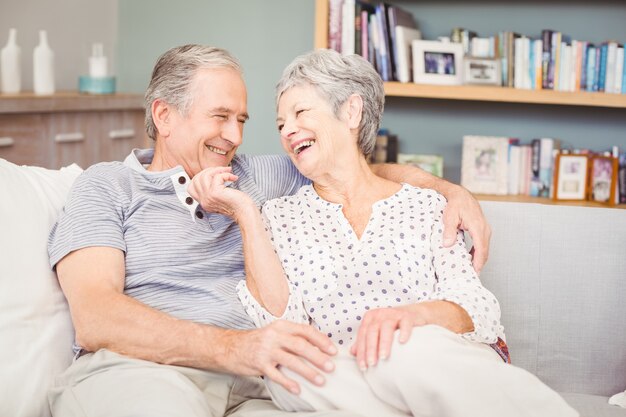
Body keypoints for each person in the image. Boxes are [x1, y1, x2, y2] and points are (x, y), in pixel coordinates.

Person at [48, 44, 491, 417]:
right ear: (164, 116)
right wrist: (235, 348)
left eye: (241, 120)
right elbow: (95, 317)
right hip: (145, 370)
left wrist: (449, 190)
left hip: (256, 385)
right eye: (220, 116)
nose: (234, 135)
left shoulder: (257, 175)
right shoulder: (107, 185)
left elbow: (355, 167)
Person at [190, 49, 578, 417]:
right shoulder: (278, 215)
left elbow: (477, 307)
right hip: (335, 371)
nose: (288, 130)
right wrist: (245, 213)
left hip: (426, 353)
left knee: (406, 349)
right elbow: (281, 324)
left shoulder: (426, 205)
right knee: (290, 374)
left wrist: (409, 318)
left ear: (352, 111)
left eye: (300, 112)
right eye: (280, 124)